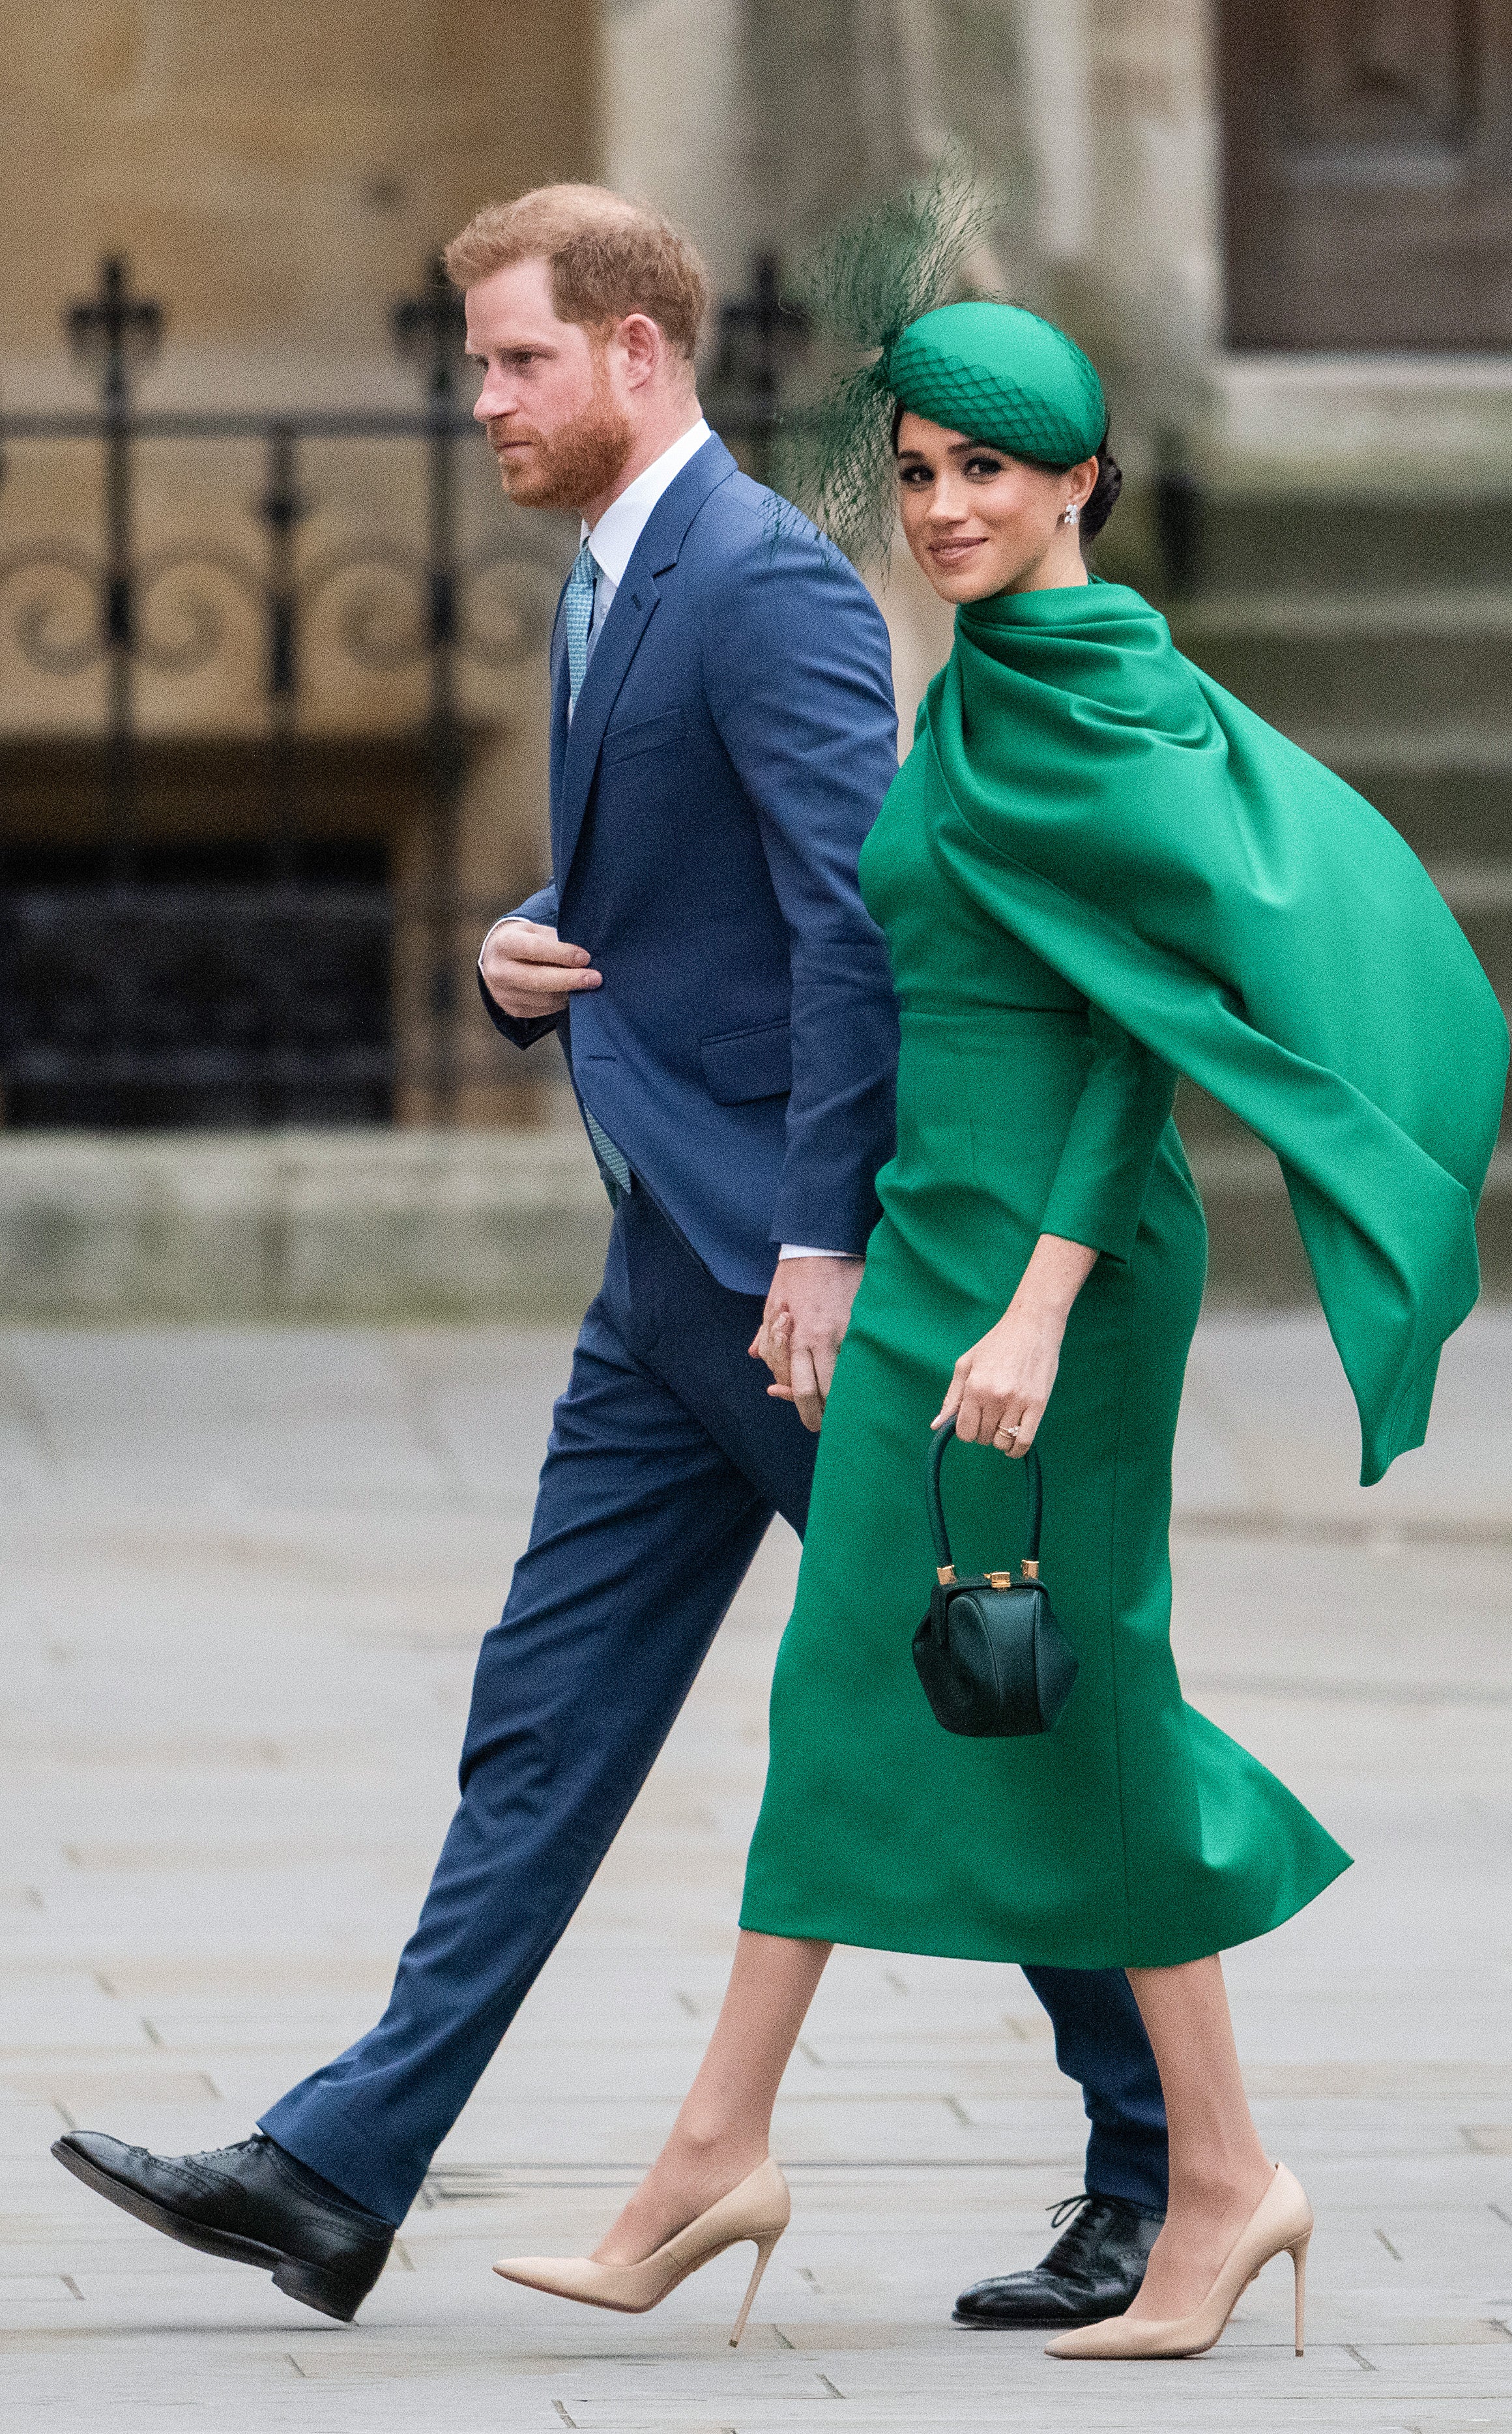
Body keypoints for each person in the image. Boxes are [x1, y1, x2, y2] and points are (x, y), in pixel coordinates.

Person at [50, 188, 1173, 2332]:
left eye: (513, 360)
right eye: (478, 362)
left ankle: (1159, 2165)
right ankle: (338, 2168)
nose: (481, 397)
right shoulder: (609, 574)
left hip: (786, 1289)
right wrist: (516, 959)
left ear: (636, 355)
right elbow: (676, 899)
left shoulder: (758, 585)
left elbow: (857, 937)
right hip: (666, 1267)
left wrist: (827, 1247)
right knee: (545, 1717)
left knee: (980, 1706)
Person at [491, 285, 1509, 2362]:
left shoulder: (1097, 694)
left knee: (1080, 1684)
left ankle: (1188, 2178)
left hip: (1055, 1272)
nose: (944, 508)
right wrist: (835, 1241)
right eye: (924, 473)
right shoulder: (973, 684)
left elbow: (1146, 1041)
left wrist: (1036, 1310)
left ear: (1080, 487)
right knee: (875, 1681)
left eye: (987, 474)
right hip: (932, 1241)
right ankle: (751, 2152)